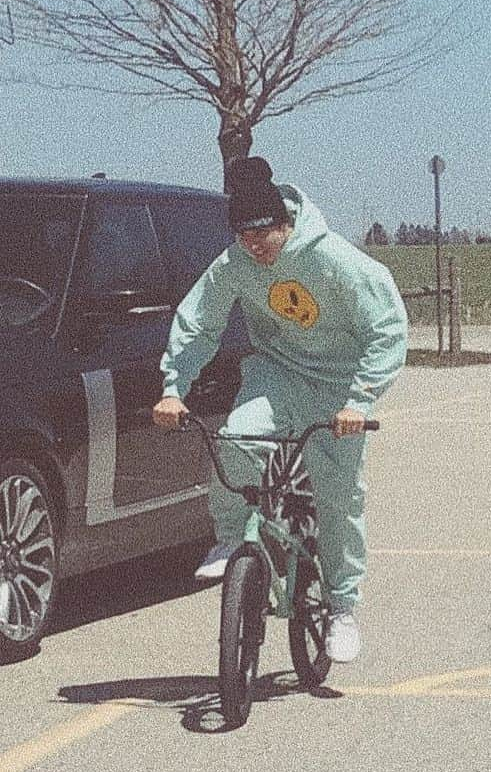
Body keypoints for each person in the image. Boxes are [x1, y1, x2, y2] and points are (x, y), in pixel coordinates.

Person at [152, 156, 407, 664]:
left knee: (338, 499)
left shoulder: (337, 260)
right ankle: (231, 541)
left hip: (338, 387)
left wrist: (360, 400)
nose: (255, 246)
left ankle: (341, 607)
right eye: (244, 237)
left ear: (286, 224)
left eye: (263, 234)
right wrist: (173, 387)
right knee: (236, 440)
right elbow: (199, 323)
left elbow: (388, 327)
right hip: (275, 374)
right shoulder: (234, 265)